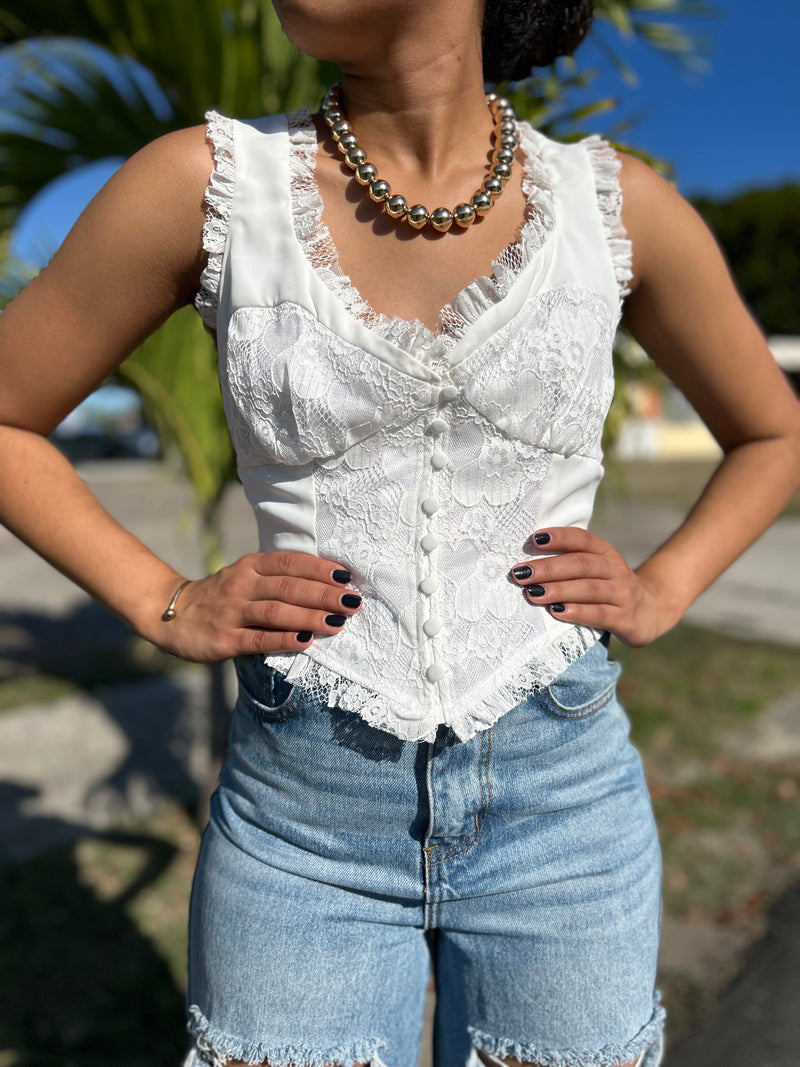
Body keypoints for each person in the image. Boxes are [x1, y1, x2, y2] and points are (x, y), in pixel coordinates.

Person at [1, 0, 798, 1064]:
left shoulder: (613, 207)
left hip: (562, 804)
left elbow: (769, 432)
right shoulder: (209, 184)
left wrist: (663, 587)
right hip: (299, 816)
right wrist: (167, 597)